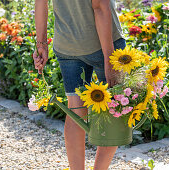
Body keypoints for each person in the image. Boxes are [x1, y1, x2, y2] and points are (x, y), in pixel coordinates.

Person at [33, 0, 126, 169]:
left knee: (76, 111)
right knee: (114, 111)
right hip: (102, 43)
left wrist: (41, 44)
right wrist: (109, 59)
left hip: (67, 45)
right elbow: (99, 7)